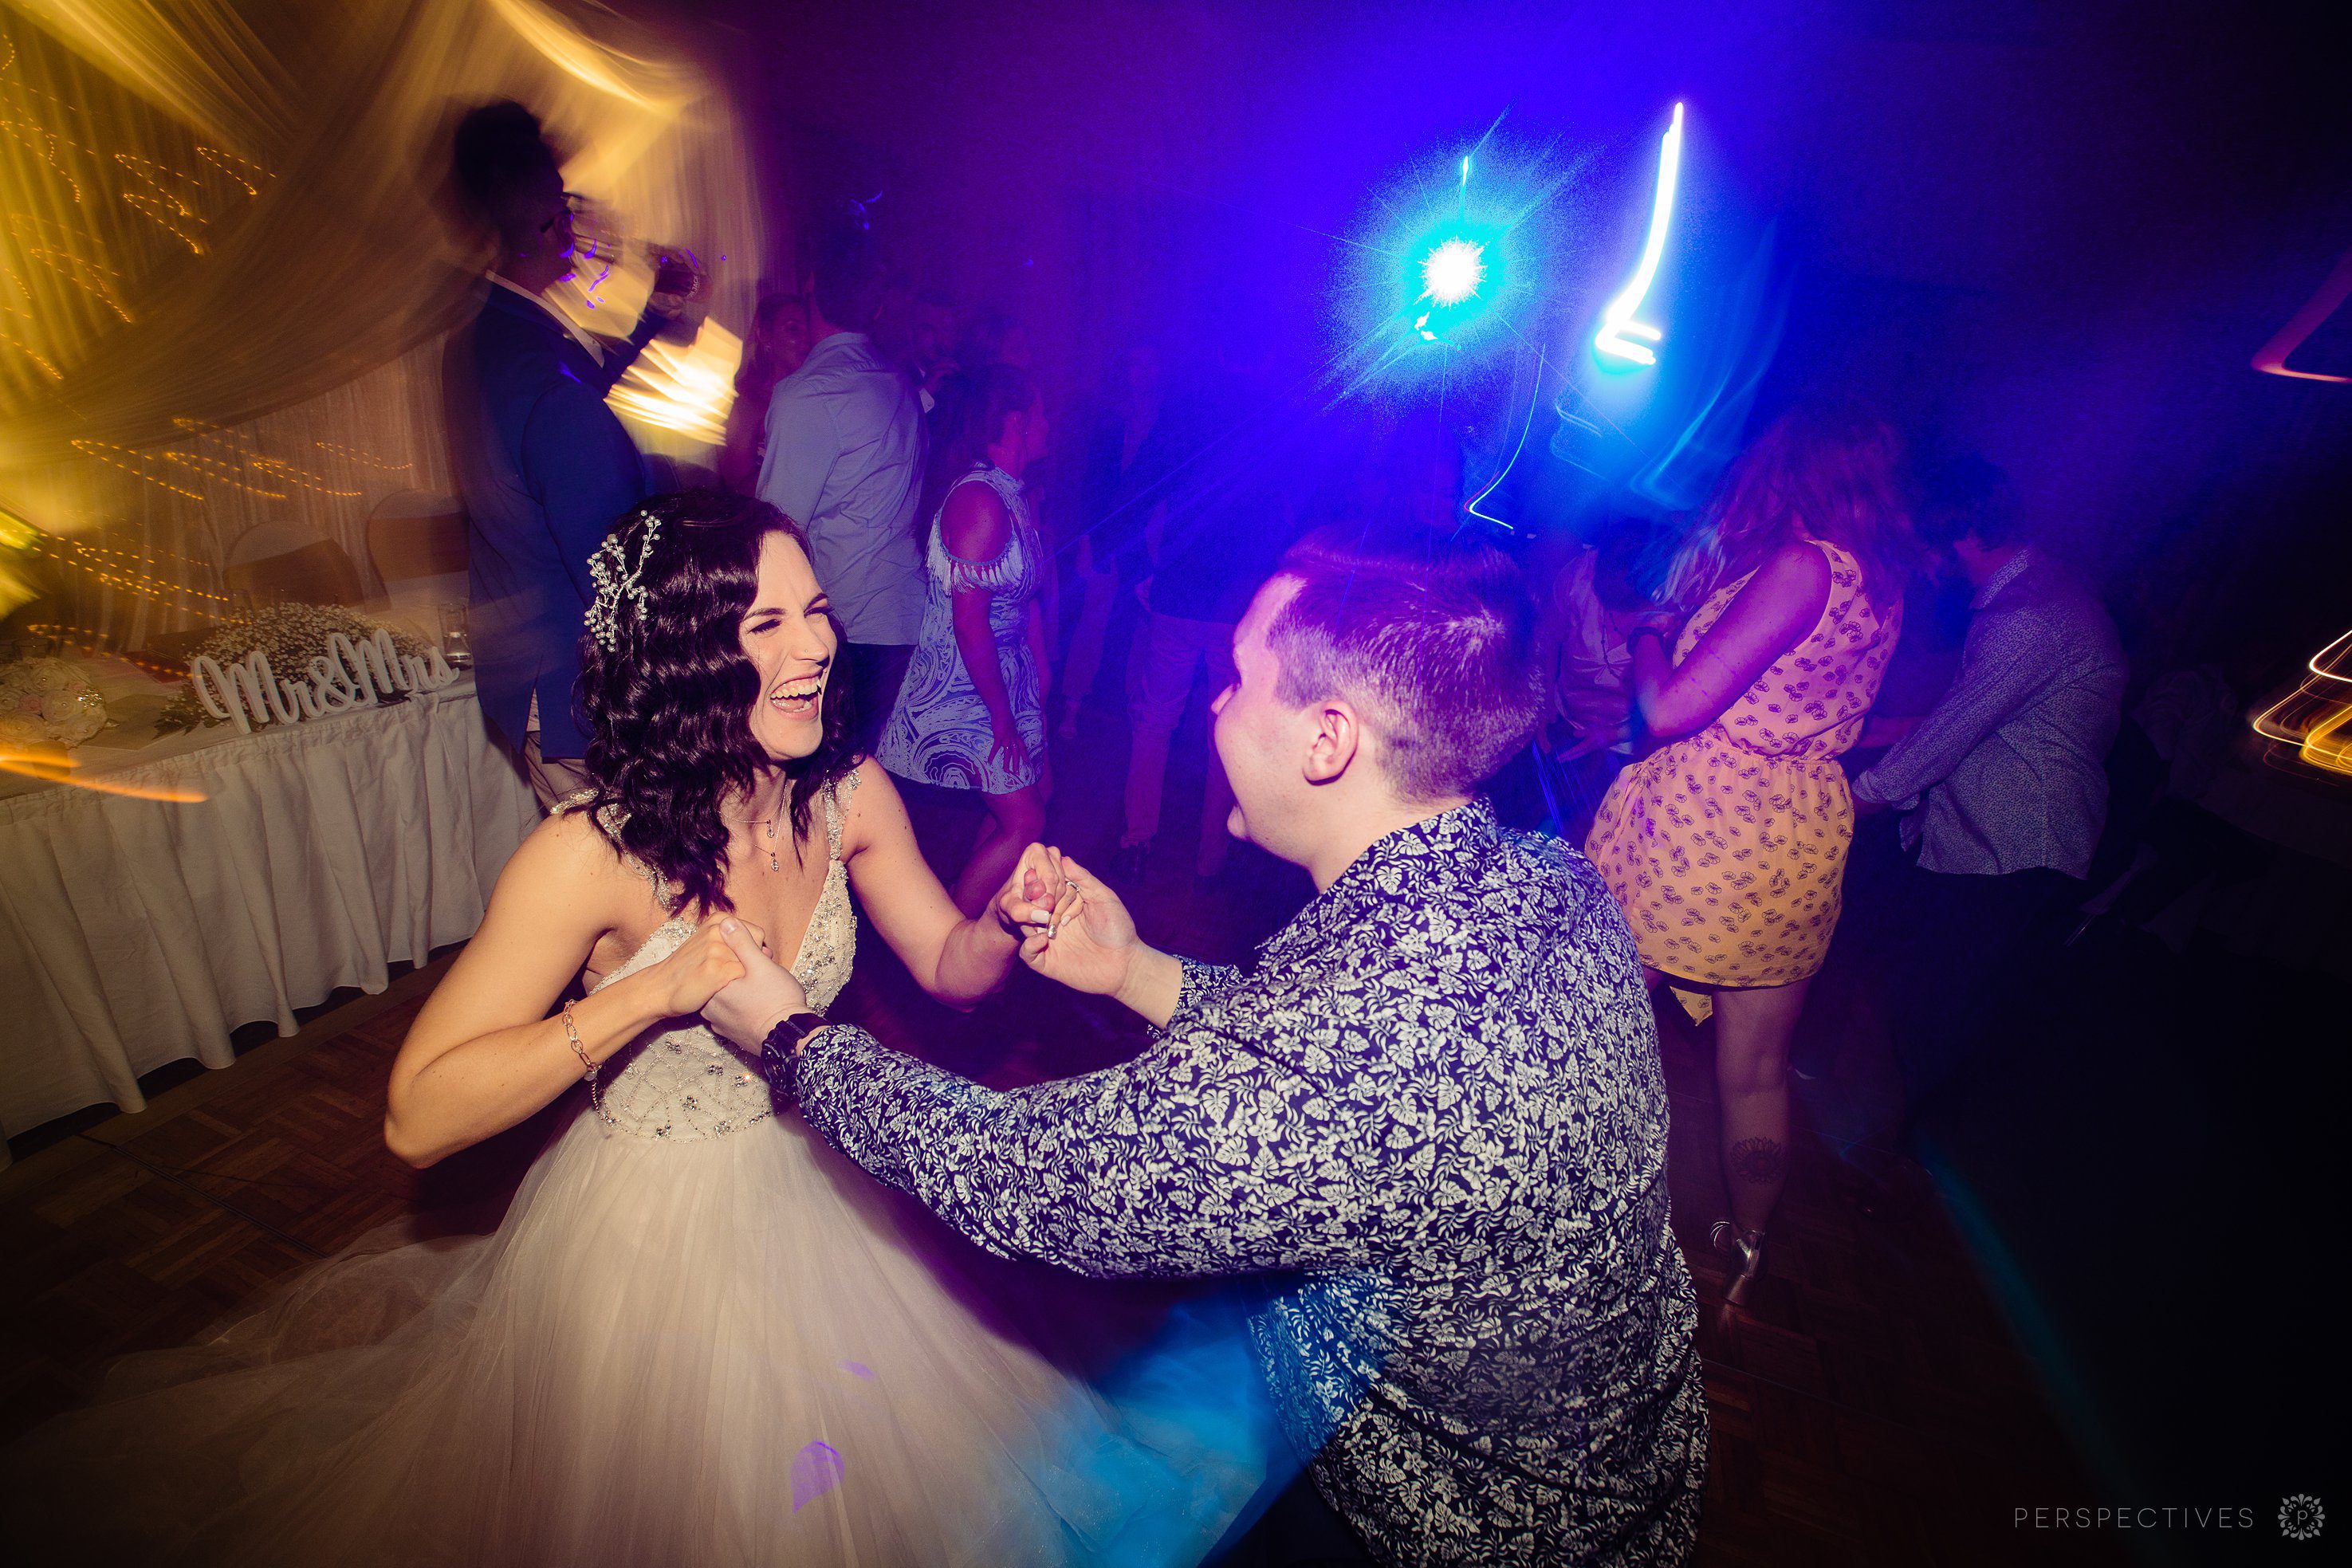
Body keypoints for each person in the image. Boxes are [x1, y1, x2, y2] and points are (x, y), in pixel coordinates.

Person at [1, 491, 1256, 1566]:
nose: (816, 644)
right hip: (647, 1232)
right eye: (766, 623)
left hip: (818, 1170)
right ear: (687, 655)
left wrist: (1007, 924)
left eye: (816, 609)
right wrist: (648, 990)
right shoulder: (587, 855)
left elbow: (945, 964)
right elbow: (416, 1115)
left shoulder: (848, 793)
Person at [707, 528, 1709, 1566]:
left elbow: (1019, 1172)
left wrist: (796, 1040)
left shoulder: (1340, 1071)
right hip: (1609, 1458)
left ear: (1327, 738)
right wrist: (1135, 969)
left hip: (1451, 1528)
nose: (1215, 704)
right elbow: (1320, 1037)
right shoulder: (1550, 878)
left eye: (1237, 679)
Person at [1584, 406, 1914, 1305]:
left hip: (1706, 825)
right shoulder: (1881, 582)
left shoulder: (1805, 566)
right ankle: (1750, 1242)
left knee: (1590, 1016)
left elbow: (1671, 708)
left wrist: (1648, 632)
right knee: (1758, 1068)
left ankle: (1528, 1190)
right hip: (1795, 832)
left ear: (1793, 466)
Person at [1851, 456, 2125, 1130]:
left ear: (1965, 532)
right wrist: (1859, 733)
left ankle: (1905, 1156)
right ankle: (1893, 1135)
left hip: (2016, 843)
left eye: (1928, 542)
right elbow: (1965, 718)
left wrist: (1846, 800)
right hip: (1989, 836)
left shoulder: (2027, 616)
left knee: (1941, 1008)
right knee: (1924, 990)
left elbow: (1947, 737)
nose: (1924, 561)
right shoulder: (2036, 592)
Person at [440, 100, 694, 807]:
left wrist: (648, 320)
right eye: (567, 210)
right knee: (639, 870)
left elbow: (566, 391)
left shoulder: (485, 336)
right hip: (575, 691)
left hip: (520, 664)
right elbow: (611, 578)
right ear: (551, 223)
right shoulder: (549, 387)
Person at [878, 366, 1054, 915]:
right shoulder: (979, 499)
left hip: (1005, 674)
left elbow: (1022, 601)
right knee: (1025, 820)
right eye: (1041, 414)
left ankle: (972, 915)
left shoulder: (1011, 495)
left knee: (1031, 801)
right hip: (968, 684)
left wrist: (1038, 671)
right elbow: (970, 622)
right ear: (1015, 421)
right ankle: (952, 938)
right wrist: (1001, 715)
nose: (1050, 425)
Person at [1115, 367, 1297, 883]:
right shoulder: (1264, 449)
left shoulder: (1186, 436)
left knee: (1157, 720)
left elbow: (1144, 504)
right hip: (1228, 610)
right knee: (1226, 724)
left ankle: (1138, 839)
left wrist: (1142, 572)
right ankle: (1212, 852)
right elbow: (1278, 530)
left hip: (1181, 599)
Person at [757, 215, 927, 754]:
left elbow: (774, 529)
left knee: (826, 777)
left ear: (810, 285)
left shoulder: (812, 393)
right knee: (862, 776)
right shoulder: (897, 382)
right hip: (903, 616)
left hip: (847, 626)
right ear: (875, 307)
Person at [1058, 343, 1174, 738]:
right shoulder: (1108, 421)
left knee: (1144, 627)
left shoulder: (1168, 425)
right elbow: (1091, 486)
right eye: (1136, 364)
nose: (1141, 373)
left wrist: (1159, 549)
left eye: (1149, 365)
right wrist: (1086, 541)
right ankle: (1072, 707)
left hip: (1148, 538)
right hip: (1107, 536)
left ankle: (1134, 713)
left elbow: (1168, 491)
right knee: (1093, 620)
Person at [717, 289, 812, 492]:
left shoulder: (812, 395)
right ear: (765, 336)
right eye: (793, 329)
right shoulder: (745, 402)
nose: (806, 339)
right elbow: (738, 486)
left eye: (809, 330)